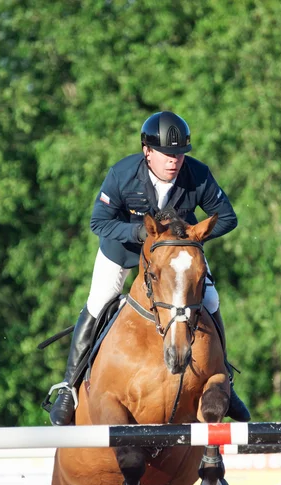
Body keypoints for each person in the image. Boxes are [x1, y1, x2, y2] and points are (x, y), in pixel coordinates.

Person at [48, 110, 251, 426]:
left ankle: (224, 376)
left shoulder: (197, 175)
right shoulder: (122, 174)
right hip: (124, 252)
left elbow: (227, 217)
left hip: (173, 257)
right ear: (147, 152)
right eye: (167, 154)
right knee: (99, 299)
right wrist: (137, 233)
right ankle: (68, 388)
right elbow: (98, 221)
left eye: (180, 154)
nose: (175, 161)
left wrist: (187, 237)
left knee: (211, 301)